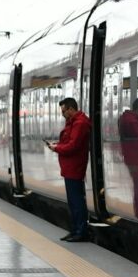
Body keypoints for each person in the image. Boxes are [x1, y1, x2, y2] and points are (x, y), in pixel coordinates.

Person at [47, 97, 91, 242]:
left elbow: (73, 146)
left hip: (75, 167)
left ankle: (81, 231)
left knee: (76, 201)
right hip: (69, 167)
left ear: (71, 109)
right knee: (72, 201)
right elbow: (68, 141)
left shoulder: (80, 123)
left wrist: (56, 148)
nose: (62, 114)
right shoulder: (73, 123)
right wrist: (58, 144)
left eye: (64, 111)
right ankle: (75, 230)